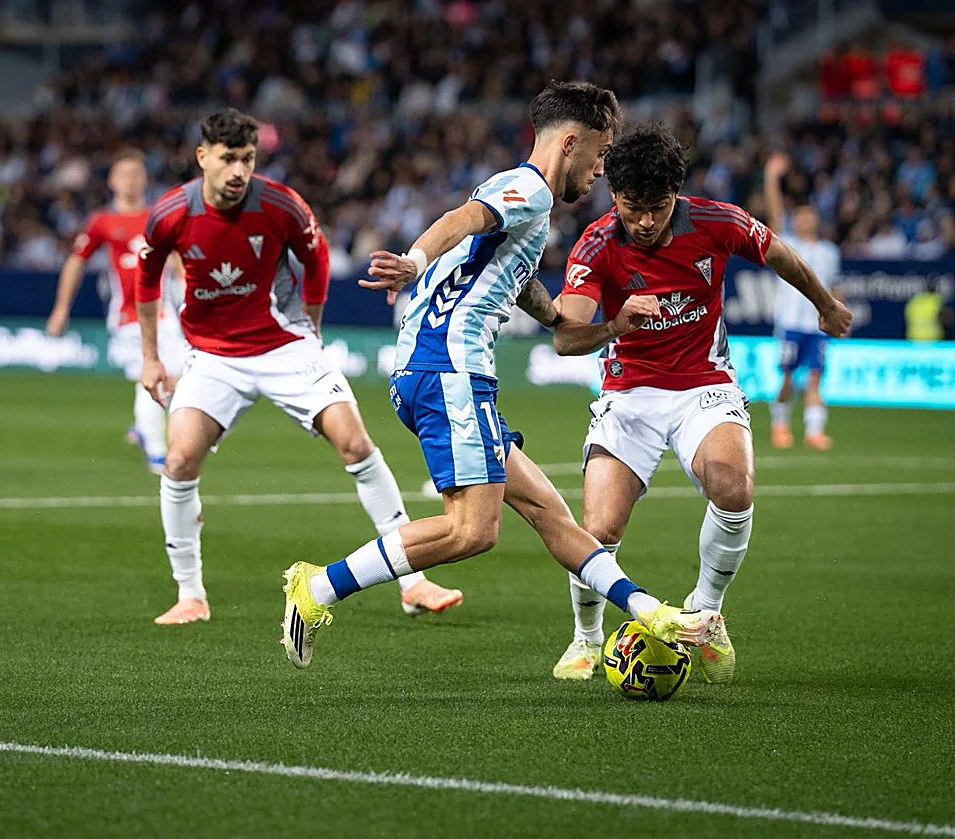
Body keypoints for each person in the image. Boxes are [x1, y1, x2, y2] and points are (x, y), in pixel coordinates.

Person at [280, 81, 726, 670]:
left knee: (550, 513)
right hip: (450, 368)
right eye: (599, 154)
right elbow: (462, 219)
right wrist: (413, 260)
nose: (600, 170)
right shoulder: (531, 189)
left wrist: (572, 319)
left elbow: (517, 279)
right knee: (473, 530)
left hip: (441, 369)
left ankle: (651, 611)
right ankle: (316, 589)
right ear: (571, 143)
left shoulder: (522, 201)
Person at [550, 123, 851, 684]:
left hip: (704, 385)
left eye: (657, 208)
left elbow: (780, 255)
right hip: (629, 394)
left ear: (676, 194)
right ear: (614, 195)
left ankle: (706, 612)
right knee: (599, 528)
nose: (645, 221)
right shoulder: (596, 244)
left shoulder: (718, 221)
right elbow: (566, 339)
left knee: (734, 488)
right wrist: (614, 325)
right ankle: (586, 637)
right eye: (633, 208)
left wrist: (824, 304)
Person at [137, 109, 463, 626]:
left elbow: (317, 260)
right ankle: (190, 595)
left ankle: (413, 582)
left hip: (285, 347)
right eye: (228, 159)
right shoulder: (171, 213)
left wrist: (310, 327)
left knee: (356, 444)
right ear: (202, 157)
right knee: (178, 462)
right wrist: (152, 357)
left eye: (247, 159)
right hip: (214, 355)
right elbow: (147, 280)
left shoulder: (280, 204)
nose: (239, 171)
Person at [46, 147, 187, 473]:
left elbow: (177, 257)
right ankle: (156, 452)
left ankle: (144, 425)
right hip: (127, 315)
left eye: (136, 174)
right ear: (111, 180)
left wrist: (187, 285)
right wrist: (61, 308)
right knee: (153, 374)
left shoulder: (158, 218)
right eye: (124, 174)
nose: (130, 181)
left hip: (164, 312)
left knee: (177, 377)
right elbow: (76, 262)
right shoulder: (102, 222)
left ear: (145, 178)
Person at [763, 152, 844, 450]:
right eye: (801, 216)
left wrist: (838, 314)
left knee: (814, 378)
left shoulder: (829, 251)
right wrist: (771, 177)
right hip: (790, 323)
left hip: (816, 326)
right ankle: (780, 424)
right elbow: (774, 214)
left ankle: (814, 430)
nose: (806, 220)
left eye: (810, 215)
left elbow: (834, 288)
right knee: (787, 379)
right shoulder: (788, 244)